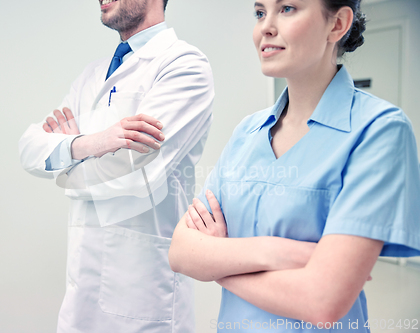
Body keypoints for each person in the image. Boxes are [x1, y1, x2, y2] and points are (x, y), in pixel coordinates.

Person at [169, 0, 420, 332]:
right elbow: (182, 252)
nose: (266, 27)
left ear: (338, 24)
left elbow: (321, 302)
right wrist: (279, 251)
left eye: (287, 9)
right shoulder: (247, 132)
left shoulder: (379, 130)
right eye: (260, 13)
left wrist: (219, 264)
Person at [18, 0, 214, 332]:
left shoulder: (184, 65)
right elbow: (29, 149)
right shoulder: (92, 75)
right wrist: (92, 143)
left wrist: (64, 158)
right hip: (81, 293)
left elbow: (135, 173)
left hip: (144, 296)